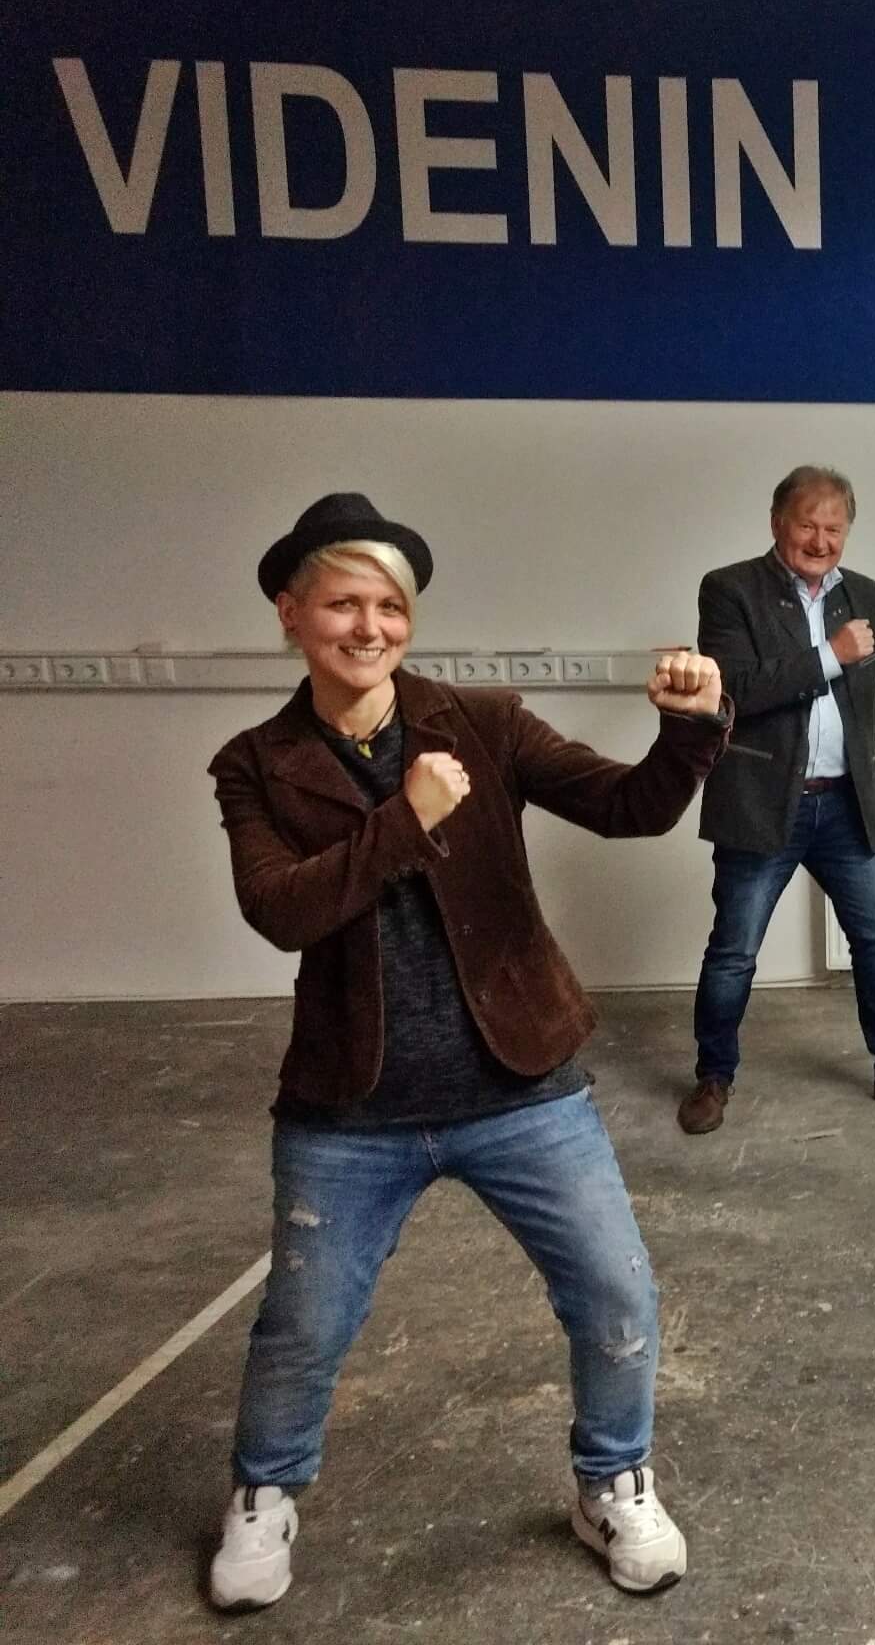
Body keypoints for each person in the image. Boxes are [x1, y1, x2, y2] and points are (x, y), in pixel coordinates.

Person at [205, 493, 729, 1611]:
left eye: (390, 607)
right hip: (349, 1110)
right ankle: (264, 1493)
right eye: (343, 604)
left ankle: (613, 1483)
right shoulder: (254, 763)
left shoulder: (482, 724)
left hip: (521, 1087)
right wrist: (407, 818)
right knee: (302, 1327)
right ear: (292, 614)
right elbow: (281, 910)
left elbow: (630, 808)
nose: (370, 627)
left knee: (615, 1293)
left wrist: (690, 730)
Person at [680, 465, 875, 1135]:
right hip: (763, 803)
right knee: (733, 951)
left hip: (847, 804)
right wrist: (830, 654)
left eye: (834, 528)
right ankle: (713, 1076)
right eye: (807, 524)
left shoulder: (863, 594)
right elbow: (733, 689)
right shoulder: (729, 589)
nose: (820, 540)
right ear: (777, 523)